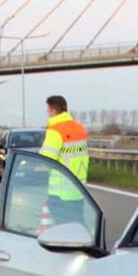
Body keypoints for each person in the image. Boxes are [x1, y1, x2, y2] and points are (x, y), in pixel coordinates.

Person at [39, 95, 89, 225]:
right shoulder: (80, 128)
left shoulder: (55, 130)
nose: (47, 113)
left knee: (62, 231)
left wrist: (36, 168)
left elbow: (46, 159)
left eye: (48, 110)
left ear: (54, 110)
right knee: (77, 227)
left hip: (60, 192)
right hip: (79, 189)